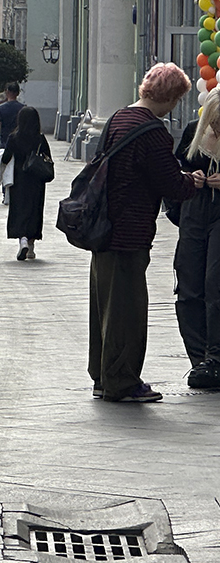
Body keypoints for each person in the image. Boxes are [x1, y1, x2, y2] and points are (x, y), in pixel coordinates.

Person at [89, 62, 202, 403]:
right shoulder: (153, 132)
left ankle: (102, 376)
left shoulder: (119, 118)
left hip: (103, 228)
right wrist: (193, 181)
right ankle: (122, 381)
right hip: (130, 231)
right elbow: (170, 183)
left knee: (103, 307)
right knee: (127, 310)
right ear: (170, 98)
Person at [173, 91, 220, 389]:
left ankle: (215, 356)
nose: (216, 129)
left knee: (215, 283)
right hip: (194, 210)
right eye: (213, 123)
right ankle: (198, 357)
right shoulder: (193, 129)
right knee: (188, 284)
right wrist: (191, 176)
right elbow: (176, 168)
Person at [0, 106, 51, 261]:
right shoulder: (40, 138)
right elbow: (47, 156)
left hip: (19, 179)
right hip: (36, 180)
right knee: (34, 209)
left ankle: (22, 240)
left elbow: (5, 158)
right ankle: (31, 246)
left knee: (19, 208)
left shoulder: (14, 137)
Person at [0, 82, 24, 152]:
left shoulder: (1, 108)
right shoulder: (23, 108)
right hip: (20, 142)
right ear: (18, 93)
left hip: (5, 142)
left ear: (7, 92)